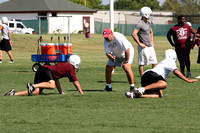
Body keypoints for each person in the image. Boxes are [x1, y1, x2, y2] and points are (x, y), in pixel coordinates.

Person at [125, 49, 198, 98]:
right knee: (164, 84)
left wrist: (160, 92)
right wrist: (187, 80)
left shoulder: (163, 62)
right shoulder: (170, 61)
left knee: (157, 95)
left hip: (146, 76)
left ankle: (133, 95)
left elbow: (159, 80)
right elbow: (176, 72)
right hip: (150, 74)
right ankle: (142, 89)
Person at [4, 54, 84, 96]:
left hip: (42, 70)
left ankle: (14, 93)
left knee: (36, 92)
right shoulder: (70, 68)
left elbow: (56, 79)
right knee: (52, 86)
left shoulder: (65, 65)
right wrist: (81, 93)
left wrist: (60, 92)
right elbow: (76, 82)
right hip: (46, 70)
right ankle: (33, 85)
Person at [132, 6, 158, 77]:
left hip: (150, 47)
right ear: (145, 14)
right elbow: (133, 34)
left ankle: (154, 77)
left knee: (154, 62)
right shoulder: (139, 23)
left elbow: (151, 32)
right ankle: (142, 78)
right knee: (141, 63)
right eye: (149, 13)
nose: (151, 15)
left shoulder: (148, 23)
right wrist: (139, 43)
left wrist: (152, 42)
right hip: (143, 47)